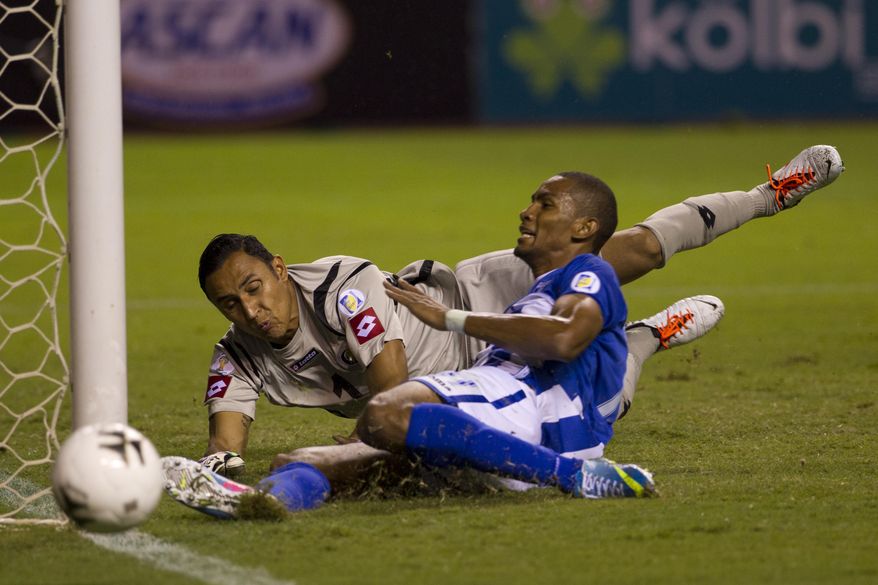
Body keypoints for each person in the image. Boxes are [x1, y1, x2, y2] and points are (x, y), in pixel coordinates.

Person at [197, 144, 842, 478]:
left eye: (254, 286)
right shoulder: (237, 357)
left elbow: (389, 382)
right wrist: (219, 467)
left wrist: (364, 437)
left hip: (476, 300)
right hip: (481, 374)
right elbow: (227, 440)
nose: (250, 309)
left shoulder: (340, 286)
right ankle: (646, 337)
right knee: (593, 404)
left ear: (279, 268)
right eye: (231, 302)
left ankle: (769, 194)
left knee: (639, 249)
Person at [165, 169, 655, 516]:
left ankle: (581, 479)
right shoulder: (532, 294)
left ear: (585, 228)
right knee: (298, 463)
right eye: (532, 201)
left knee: (385, 414)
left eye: (544, 204)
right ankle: (258, 503)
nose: (526, 212)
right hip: (502, 444)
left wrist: (452, 318)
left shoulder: (587, 271)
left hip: (525, 407)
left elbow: (567, 337)